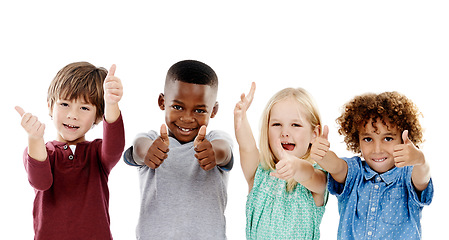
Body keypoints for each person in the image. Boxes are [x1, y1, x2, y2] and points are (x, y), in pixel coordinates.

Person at [123, 60, 233, 239]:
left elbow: (224, 151)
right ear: (162, 101)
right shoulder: (151, 140)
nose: (187, 118)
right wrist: (147, 152)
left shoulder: (214, 140)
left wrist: (214, 152)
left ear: (213, 110)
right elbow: (138, 148)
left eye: (199, 111)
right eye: (178, 107)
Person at [15, 62, 125, 239]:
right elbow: (41, 182)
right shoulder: (40, 151)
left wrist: (111, 104)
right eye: (65, 104)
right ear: (50, 106)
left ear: (98, 115)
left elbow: (115, 147)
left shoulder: (97, 152)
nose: (72, 115)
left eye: (84, 108)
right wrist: (35, 138)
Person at [311, 91, 433, 239]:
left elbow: (422, 178)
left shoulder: (408, 175)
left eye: (387, 138)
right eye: (368, 139)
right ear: (357, 140)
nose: (377, 150)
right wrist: (321, 154)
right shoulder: (354, 173)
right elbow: (336, 166)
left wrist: (420, 160)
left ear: (403, 139)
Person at [234, 82, 328, 239]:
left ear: (314, 133)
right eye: (277, 124)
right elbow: (247, 147)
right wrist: (240, 117)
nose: (285, 132)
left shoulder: (317, 175)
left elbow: (310, 175)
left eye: (295, 125)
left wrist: (295, 167)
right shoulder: (259, 174)